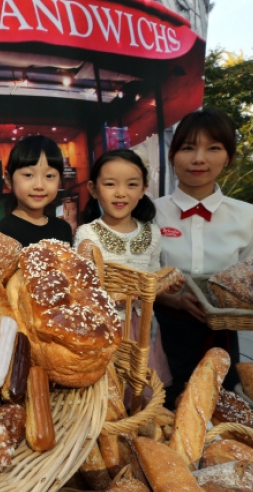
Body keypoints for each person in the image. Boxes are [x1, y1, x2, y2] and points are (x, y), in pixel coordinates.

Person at [153, 108, 253, 407]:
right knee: (162, 410)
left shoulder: (249, 216)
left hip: (222, 335)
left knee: (220, 409)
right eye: (188, 148)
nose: (199, 158)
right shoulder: (149, 212)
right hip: (162, 331)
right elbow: (137, 274)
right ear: (172, 155)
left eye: (213, 148)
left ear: (227, 157)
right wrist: (168, 298)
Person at [74, 149, 179, 389]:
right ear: (93, 189)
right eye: (110, 184)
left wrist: (165, 285)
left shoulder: (152, 233)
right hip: (105, 327)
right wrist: (119, 296)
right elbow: (84, 288)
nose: (121, 193)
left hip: (143, 326)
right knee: (109, 389)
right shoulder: (87, 233)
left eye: (131, 184)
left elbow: (153, 277)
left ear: (143, 190)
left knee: (143, 387)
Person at [0, 135, 73, 246]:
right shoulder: (1, 231)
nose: (39, 185)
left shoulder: (63, 229)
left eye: (49, 176)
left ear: (59, 181)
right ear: (9, 180)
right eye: (28, 175)